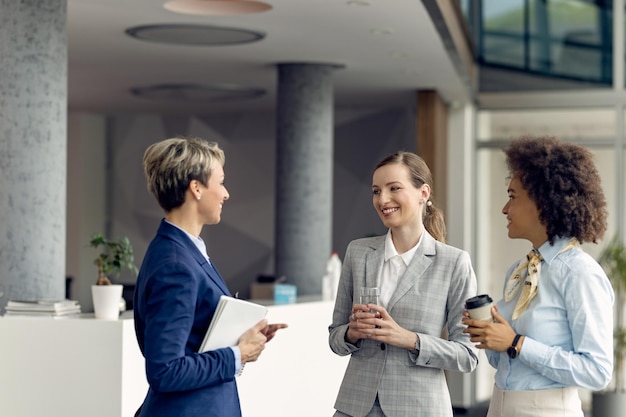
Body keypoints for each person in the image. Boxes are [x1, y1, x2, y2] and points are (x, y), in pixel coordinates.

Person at [133, 137, 287, 417]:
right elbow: (164, 371)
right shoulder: (176, 264)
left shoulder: (182, 250)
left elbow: (194, 338)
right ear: (196, 188)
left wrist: (241, 338)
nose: (226, 193)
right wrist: (237, 355)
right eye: (221, 182)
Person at [463, 136, 614, 417]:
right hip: (499, 406)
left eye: (511, 197)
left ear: (542, 202)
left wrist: (516, 343)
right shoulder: (519, 271)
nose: (504, 209)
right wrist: (489, 336)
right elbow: (502, 362)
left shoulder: (580, 274)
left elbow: (598, 371)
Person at [328, 151, 479, 417]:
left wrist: (409, 339)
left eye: (394, 188)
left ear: (424, 193)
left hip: (419, 408)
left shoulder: (453, 262)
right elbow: (335, 338)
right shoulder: (358, 252)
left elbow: (468, 355)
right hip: (356, 407)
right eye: (376, 191)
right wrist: (352, 332)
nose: (382, 199)